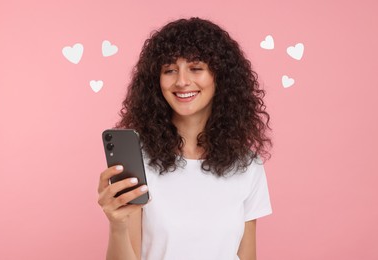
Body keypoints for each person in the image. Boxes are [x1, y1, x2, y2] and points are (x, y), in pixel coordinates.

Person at [97, 17, 272, 260]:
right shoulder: (138, 161)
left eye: (196, 68)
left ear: (220, 76)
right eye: (169, 70)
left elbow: (246, 256)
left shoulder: (247, 163)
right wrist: (117, 226)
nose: (181, 81)